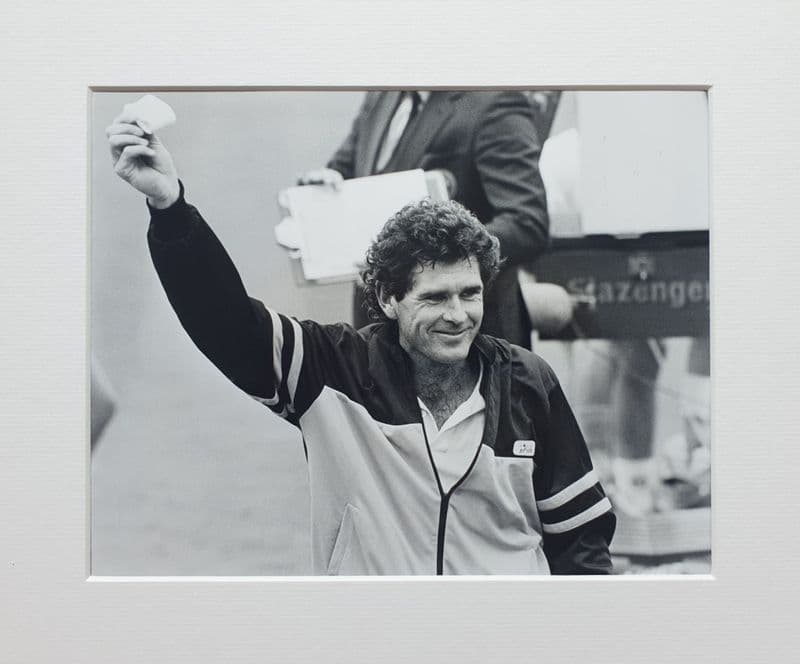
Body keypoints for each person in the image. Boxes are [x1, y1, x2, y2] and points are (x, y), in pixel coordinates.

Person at [106, 112, 615, 575]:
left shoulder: (528, 381)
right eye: (435, 298)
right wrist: (169, 206)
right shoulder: (333, 370)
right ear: (389, 299)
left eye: (470, 293)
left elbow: (581, 540)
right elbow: (225, 321)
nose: (458, 316)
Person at [297, 90, 551, 348]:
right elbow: (345, 172)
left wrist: (437, 253)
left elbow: (526, 223)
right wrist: (321, 190)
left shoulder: (495, 101)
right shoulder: (381, 96)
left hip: (462, 335)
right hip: (380, 333)